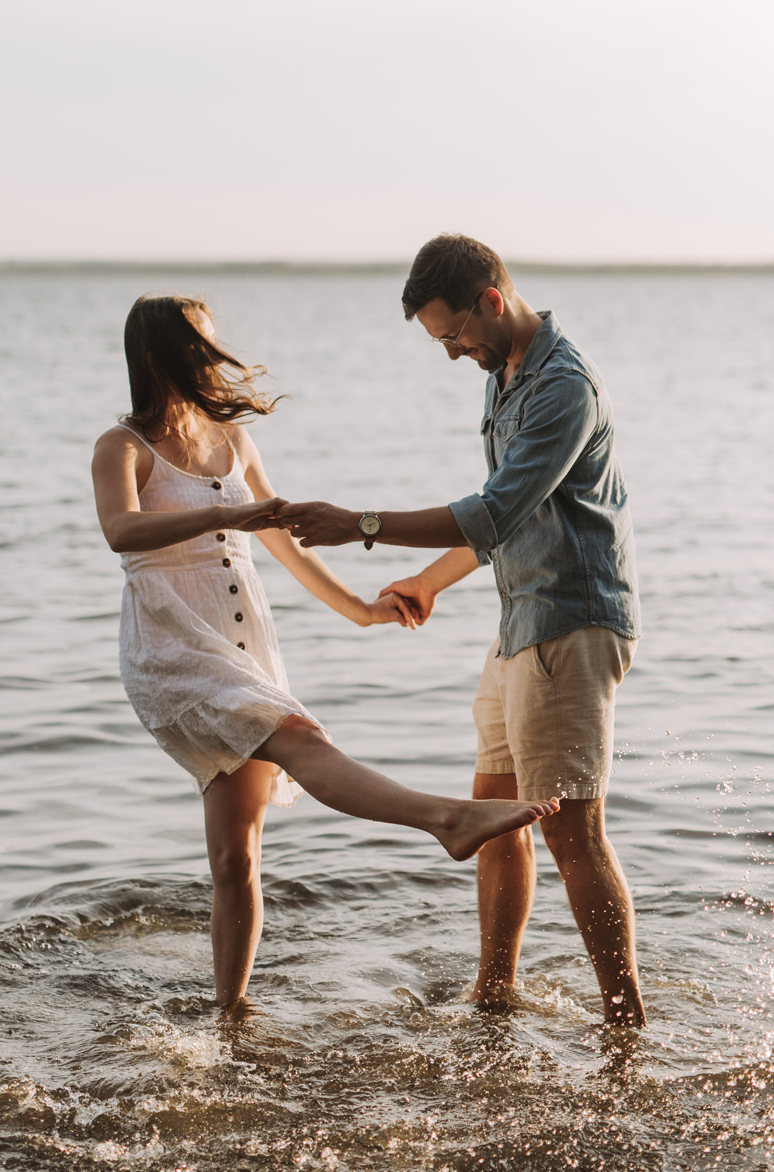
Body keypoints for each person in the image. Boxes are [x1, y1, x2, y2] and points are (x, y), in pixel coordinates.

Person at [91, 292, 559, 1009]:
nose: (213, 358)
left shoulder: (232, 441)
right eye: (199, 346)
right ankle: (446, 820)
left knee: (233, 853)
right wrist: (228, 513)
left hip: (243, 642)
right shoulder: (123, 447)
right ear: (160, 356)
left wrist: (363, 611)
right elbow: (121, 532)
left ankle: (230, 1014)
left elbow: (282, 543)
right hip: (172, 647)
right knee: (303, 740)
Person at [277, 235, 646, 1026]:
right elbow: (499, 526)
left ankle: (626, 1025)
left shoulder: (562, 387)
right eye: (440, 343)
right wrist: (428, 579)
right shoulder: (503, 375)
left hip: (571, 625)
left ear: (490, 299)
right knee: (493, 817)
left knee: (573, 834)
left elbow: (493, 510)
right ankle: (495, 994)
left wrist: (361, 525)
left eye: (453, 336)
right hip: (521, 623)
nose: (452, 355)